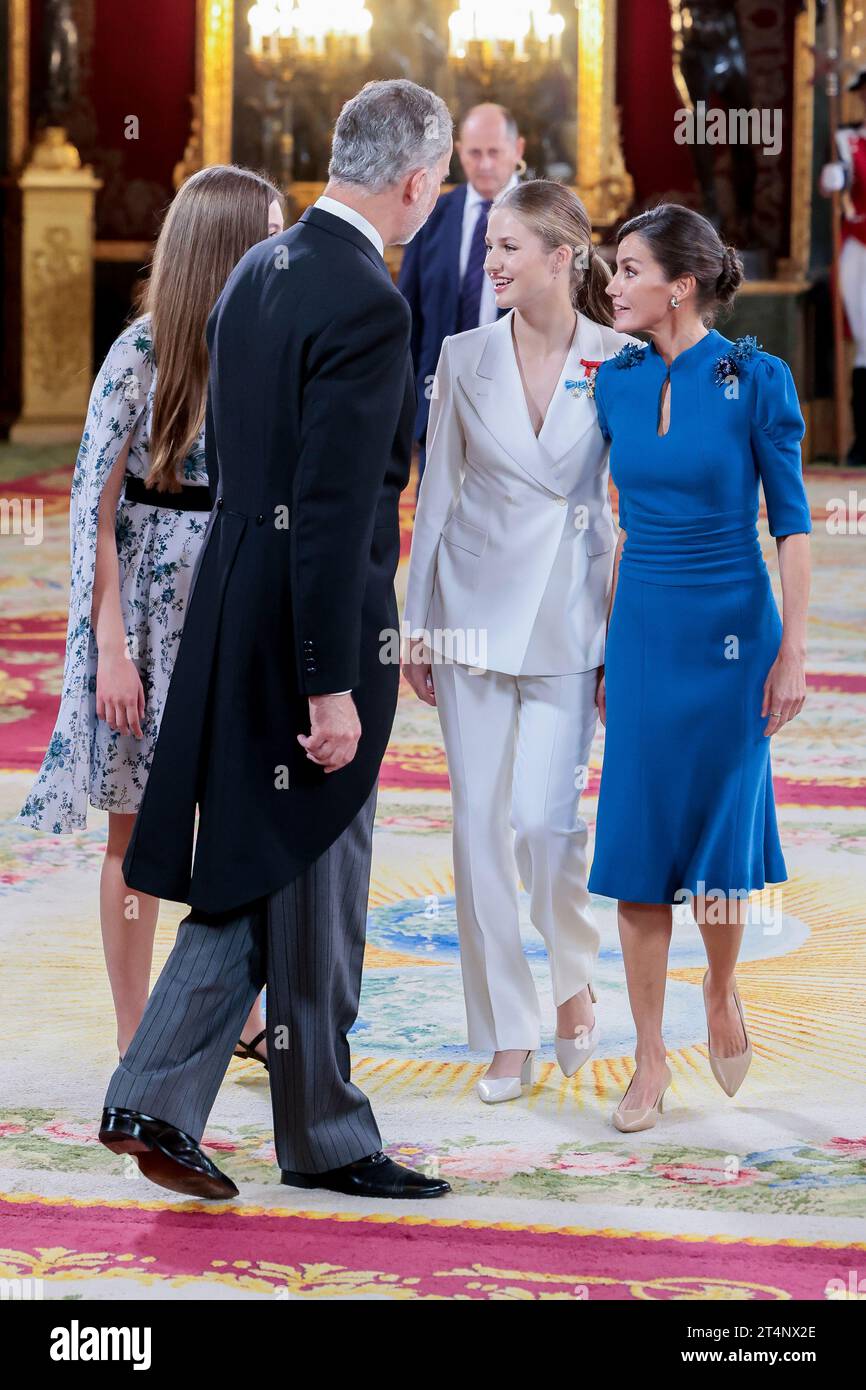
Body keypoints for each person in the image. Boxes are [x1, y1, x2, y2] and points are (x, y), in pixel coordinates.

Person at [97, 79, 455, 1202]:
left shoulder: (259, 268)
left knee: (270, 857)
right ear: (411, 179)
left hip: (231, 603)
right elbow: (336, 508)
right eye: (435, 182)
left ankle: (191, 1102)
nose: (432, 200)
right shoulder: (368, 301)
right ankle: (312, 1130)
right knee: (319, 859)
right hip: (306, 628)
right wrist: (330, 686)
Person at [17, 165, 283, 1066]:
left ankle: (233, 1013)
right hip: (144, 616)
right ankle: (135, 1033)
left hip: (233, 597)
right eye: (273, 235)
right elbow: (91, 508)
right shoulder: (141, 350)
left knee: (236, 819)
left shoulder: (262, 343)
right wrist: (110, 653)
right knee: (133, 828)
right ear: (230, 248)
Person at [402, 180, 636, 1102]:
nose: (490, 263)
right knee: (477, 830)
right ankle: (507, 1028)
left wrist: (628, 632)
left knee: (546, 824)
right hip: (469, 608)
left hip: (574, 609)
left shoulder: (620, 360)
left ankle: (573, 972)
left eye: (508, 248)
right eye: (488, 245)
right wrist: (417, 621)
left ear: (563, 257)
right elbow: (437, 493)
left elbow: (638, 505)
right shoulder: (463, 356)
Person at [587, 203, 812, 1132]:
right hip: (643, 631)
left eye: (630, 270)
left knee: (718, 846)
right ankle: (646, 1058)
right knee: (639, 848)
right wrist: (605, 647)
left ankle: (720, 990)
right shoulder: (615, 383)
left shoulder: (758, 379)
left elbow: (792, 526)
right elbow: (611, 522)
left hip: (734, 638)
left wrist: (793, 649)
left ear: (680, 284)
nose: (615, 285)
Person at [398, 103, 526, 485]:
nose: (484, 164)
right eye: (474, 153)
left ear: (517, 150)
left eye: (494, 152)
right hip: (439, 404)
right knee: (435, 532)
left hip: (521, 407)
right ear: (458, 152)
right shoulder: (431, 212)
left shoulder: (546, 217)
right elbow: (409, 314)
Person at [819, 67, 866, 465]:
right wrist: (835, 178)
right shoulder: (847, 141)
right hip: (861, 244)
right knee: (864, 339)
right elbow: (834, 185)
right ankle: (860, 438)